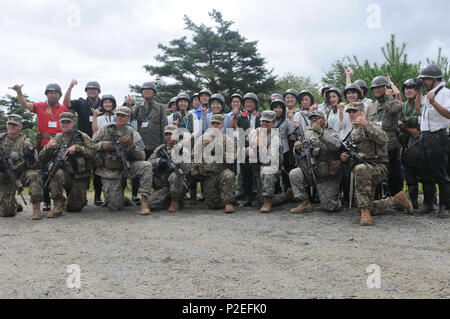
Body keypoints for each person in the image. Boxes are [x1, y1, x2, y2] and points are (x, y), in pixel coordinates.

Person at [340, 102, 413, 226]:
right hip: (363, 171)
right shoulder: (352, 134)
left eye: (354, 111)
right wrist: (345, 158)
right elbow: (354, 158)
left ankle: (365, 212)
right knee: (369, 205)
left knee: (360, 169)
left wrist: (366, 124)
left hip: (378, 167)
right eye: (349, 112)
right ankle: (396, 200)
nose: (351, 114)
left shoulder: (373, 125)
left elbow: (384, 139)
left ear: (362, 112)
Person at [9, 83, 69, 212]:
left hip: (60, 145)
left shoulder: (64, 108)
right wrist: (19, 92)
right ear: (47, 94)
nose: (53, 95)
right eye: (50, 92)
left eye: (56, 93)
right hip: (43, 147)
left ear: (59, 95)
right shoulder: (40, 106)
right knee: (44, 174)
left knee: (60, 173)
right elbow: (25, 105)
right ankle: (46, 202)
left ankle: (62, 200)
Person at [93, 106, 153, 215]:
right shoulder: (105, 129)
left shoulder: (133, 133)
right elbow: (92, 146)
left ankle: (144, 202)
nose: (119, 117)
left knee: (147, 166)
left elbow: (142, 156)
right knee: (114, 207)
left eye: (123, 116)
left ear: (128, 118)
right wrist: (102, 145)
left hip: (127, 166)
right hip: (110, 169)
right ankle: (121, 198)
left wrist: (132, 146)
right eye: (118, 115)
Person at [39, 112, 95, 217]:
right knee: (55, 172)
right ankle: (57, 206)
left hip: (80, 176)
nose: (65, 124)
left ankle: (75, 200)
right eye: (63, 122)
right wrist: (47, 148)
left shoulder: (82, 136)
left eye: (68, 122)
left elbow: (94, 153)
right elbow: (41, 158)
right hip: (64, 174)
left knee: (74, 208)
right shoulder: (57, 138)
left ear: (73, 123)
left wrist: (78, 148)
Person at [290, 110, 342, 214]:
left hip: (327, 175)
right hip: (310, 170)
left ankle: (337, 196)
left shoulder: (332, 133)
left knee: (330, 207)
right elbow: (298, 154)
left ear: (324, 119)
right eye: (312, 119)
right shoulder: (307, 133)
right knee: (294, 174)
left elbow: (336, 145)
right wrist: (297, 147)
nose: (314, 121)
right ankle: (305, 203)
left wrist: (321, 133)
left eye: (317, 118)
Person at [63, 80, 104, 206]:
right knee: (82, 168)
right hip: (83, 141)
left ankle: (98, 196)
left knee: (98, 169)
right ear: (86, 91)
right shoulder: (81, 103)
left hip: (98, 140)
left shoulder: (104, 103)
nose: (92, 91)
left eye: (95, 89)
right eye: (89, 89)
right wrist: (70, 86)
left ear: (99, 91)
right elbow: (66, 103)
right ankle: (82, 196)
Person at [417, 64, 450, 218]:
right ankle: (428, 204)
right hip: (425, 137)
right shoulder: (427, 94)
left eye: (424, 79)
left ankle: (444, 206)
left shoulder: (444, 93)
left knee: (441, 174)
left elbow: (449, 114)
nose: (423, 81)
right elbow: (419, 111)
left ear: (434, 79)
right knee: (424, 173)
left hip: (438, 137)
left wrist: (434, 102)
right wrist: (419, 94)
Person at [366, 76, 404, 197]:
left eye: (379, 88)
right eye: (374, 88)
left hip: (391, 145)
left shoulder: (392, 102)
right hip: (375, 146)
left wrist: (389, 96)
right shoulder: (371, 106)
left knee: (394, 173)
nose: (376, 90)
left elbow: (394, 110)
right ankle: (378, 198)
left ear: (386, 88)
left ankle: (398, 199)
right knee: (376, 173)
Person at [0, 115, 44, 220]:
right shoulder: (0, 139)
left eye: (15, 125)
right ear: (6, 125)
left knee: (35, 176)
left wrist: (31, 157)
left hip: (21, 174)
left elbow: (36, 165)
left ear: (20, 126)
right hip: (4, 175)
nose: (12, 127)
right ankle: (13, 203)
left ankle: (36, 209)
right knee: (7, 213)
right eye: (10, 124)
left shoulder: (25, 142)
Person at [191, 114, 236, 213]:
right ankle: (221, 195)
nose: (215, 126)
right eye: (213, 123)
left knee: (228, 176)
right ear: (210, 125)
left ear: (222, 126)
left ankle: (229, 202)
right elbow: (194, 155)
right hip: (208, 174)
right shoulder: (202, 139)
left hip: (222, 171)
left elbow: (233, 157)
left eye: (218, 124)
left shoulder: (227, 140)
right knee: (213, 205)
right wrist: (199, 169)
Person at [247, 110, 284, 213]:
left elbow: (270, 160)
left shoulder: (275, 138)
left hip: (272, 168)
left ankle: (268, 201)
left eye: (267, 122)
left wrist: (261, 145)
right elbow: (242, 147)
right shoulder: (254, 132)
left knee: (267, 169)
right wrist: (247, 151)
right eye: (262, 121)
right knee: (259, 200)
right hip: (257, 167)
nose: (264, 124)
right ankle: (247, 196)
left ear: (273, 123)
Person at [147, 125, 191, 212]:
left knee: (176, 175)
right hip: (163, 186)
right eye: (166, 134)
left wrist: (180, 158)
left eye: (171, 134)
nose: (169, 136)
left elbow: (187, 169)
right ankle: (167, 200)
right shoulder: (160, 149)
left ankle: (175, 200)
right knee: (150, 205)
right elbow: (149, 162)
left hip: (177, 185)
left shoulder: (183, 150)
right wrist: (160, 161)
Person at [399, 79, 425, 210]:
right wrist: (408, 128)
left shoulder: (424, 102)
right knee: (409, 172)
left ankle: (429, 201)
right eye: (406, 88)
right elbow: (398, 123)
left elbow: (421, 119)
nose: (408, 90)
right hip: (405, 143)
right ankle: (413, 201)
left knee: (425, 172)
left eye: (412, 88)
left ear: (418, 89)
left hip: (421, 143)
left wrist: (405, 122)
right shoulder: (402, 106)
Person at [232, 93, 261, 206]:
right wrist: (234, 116)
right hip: (244, 146)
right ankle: (247, 197)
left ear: (255, 104)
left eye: (251, 102)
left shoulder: (260, 116)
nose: (248, 104)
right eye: (247, 102)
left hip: (258, 146)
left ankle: (258, 195)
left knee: (257, 172)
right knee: (245, 173)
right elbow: (233, 128)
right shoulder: (240, 117)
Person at [132, 81, 168, 160]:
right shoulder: (138, 106)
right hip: (141, 144)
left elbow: (164, 127)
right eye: (144, 89)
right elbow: (130, 117)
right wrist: (127, 105)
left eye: (149, 89)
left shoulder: (160, 107)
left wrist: (163, 145)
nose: (147, 91)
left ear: (154, 92)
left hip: (155, 145)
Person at [270, 99, 295, 200]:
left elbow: (292, 131)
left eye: (280, 107)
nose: (278, 110)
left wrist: (292, 118)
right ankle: (276, 192)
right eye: (276, 107)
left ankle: (288, 192)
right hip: (271, 149)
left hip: (284, 149)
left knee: (285, 171)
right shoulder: (268, 120)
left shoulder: (286, 121)